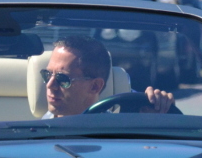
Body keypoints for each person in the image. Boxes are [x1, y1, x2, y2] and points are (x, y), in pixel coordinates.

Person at [41, 35, 172, 118]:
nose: (50, 85)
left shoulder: (117, 134)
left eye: (62, 79)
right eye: (47, 75)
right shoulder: (31, 132)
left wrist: (156, 115)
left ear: (94, 86)